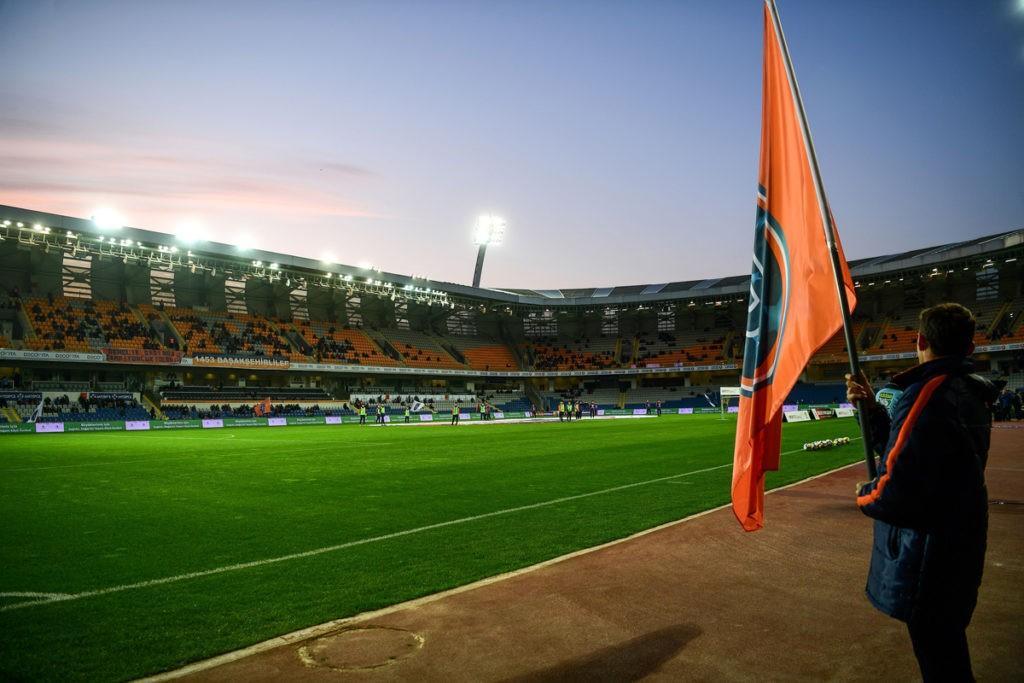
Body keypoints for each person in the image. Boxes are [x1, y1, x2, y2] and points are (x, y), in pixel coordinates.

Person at [845, 303, 995, 682]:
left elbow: (896, 488)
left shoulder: (927, 392)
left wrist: (865, 495)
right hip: (960, 539)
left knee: (940, 659)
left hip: (929, 554)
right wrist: (872, 409)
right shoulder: (970, 390)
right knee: (947, 650)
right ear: (970, 349)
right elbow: (920, 448)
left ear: (920, 340)